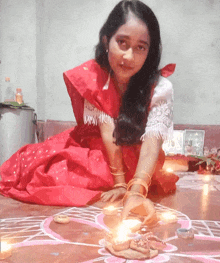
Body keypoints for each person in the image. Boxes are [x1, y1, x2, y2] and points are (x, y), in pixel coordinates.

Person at [0, 0, 178, 223]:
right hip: (102, 149)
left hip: (140, 158)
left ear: (150, 51)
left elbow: (153, 140)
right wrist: (120, 183)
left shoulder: (161, 87)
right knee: (39, 170)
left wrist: (136, 190)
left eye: (141, 47)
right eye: (122, 42)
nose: (129, 56)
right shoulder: (93, 78)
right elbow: (107, 131)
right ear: (106, 40)